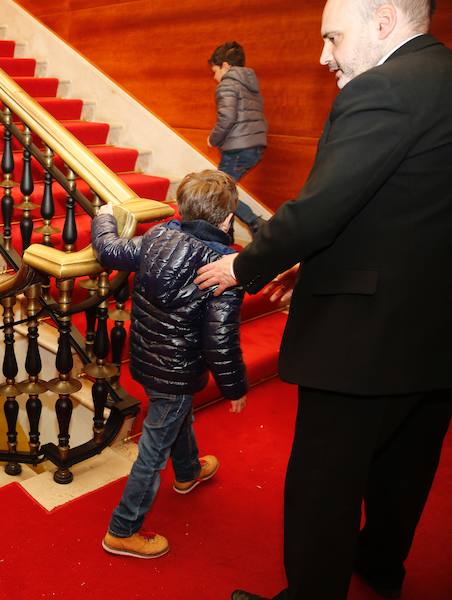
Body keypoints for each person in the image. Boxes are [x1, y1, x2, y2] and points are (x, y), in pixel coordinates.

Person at [193, 1, 451, 598]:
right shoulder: (441, 78)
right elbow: (407, 210)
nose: (324, 54)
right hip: (434, 326)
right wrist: (311, 265)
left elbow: (320, 207)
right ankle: (382, 565)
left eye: (333, 37)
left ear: (382, 22)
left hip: (363, 336)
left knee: (322, 485)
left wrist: (245, 265)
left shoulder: (382, 89)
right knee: (406, 465)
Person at [91, 170, 248, 559]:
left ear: (182, 208)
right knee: (153, 447)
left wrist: (105, 215)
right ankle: (122, 529)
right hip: (179, 368)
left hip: (147, 357)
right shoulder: (225, 265)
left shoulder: (158, 236)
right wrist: (235, 388)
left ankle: (188, 471)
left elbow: (109, 249)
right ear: (227, 220)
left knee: (176, 415)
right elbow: (220, 337)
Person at [207, 41, 268, 234]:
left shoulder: (227, 85)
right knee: (226, 190)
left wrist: (212, 139)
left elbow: (227, 118)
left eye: (214, 71)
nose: (215, 77)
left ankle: (256, 224)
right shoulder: (249, 85)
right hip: (254, 146)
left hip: (238, 148)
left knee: (219, 191)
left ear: (225, 65)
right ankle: (227, 233)